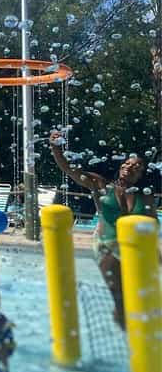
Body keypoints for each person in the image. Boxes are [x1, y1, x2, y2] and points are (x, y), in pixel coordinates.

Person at [49, 130, 155, 329]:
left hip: (134, 248)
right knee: (120, 297)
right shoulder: (102, 185)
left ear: (141, 174)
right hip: (106, 244)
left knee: (139, 296)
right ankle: (126, 333)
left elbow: (152, 228)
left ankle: (132, 331)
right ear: (121, 166)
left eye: (137, 166)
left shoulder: (145, 197)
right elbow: (71, 171)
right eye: (127, 163)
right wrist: (56, 149)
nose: (130, 167)